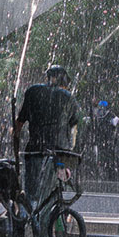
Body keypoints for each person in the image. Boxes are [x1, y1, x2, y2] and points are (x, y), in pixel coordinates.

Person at [13, 64, 80, 209]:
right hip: (58, 155)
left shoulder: (33, 92)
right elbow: (74, 126)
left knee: (31, 193)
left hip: (34, 151)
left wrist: (16, 137)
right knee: (54, 193)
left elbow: (20, 122)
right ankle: (49, 222)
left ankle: (28, 220)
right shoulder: (68, 98)